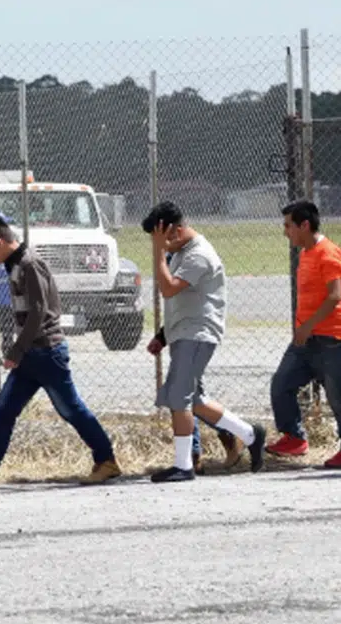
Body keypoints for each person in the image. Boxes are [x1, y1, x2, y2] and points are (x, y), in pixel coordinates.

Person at [0, 215, 122, 488]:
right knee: (5, 410)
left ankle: (107, 461)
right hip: (32, 355)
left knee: (71, 409)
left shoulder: (29, 264)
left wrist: (17, 349)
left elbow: (39, 311)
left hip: (47, 351)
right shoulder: (15, 263)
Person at [142, 202, 266, 482]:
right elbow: (183, 302)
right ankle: (249, 434)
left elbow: (169, 289)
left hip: (197, 335)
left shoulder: (199, 255)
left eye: (159, 237)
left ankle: (183, 466)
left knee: (179, 397)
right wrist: (162, 336)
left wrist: (159, 253)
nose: (158, 244)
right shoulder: (181, 253)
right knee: (195, 399)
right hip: (184, 332)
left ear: (172, 231)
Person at [265, 199, 341, 468]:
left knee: (340, 397)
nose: (285, 231)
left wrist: (307, 326)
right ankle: (294, 438)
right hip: (306, 339)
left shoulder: (328, 253)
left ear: (305, 225)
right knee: (282, 384)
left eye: (289, 226)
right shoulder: (305, 253)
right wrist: (304, 329)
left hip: (331, 338)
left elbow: (334, 296)